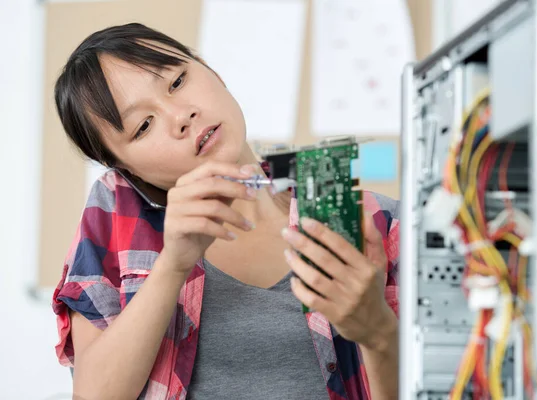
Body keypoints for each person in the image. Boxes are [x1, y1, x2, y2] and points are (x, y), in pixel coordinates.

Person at [51, 23, 399, 400]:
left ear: (211, 71)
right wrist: (173, 265)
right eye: (144, 126)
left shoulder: (371, 218)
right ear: (125, 169)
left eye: (177, 81)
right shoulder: (115, 211)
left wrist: (379, 332)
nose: (181, 116)